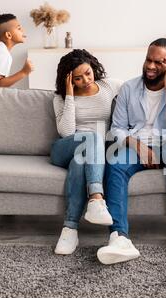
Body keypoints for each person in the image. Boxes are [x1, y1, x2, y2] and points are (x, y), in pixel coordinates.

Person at [97, 39, 166, 265]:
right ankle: (119, 236)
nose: (150, 66)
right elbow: (117, 128)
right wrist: (137, 145)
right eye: (148, 60)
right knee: (114, 162)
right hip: (137, 145)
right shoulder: (129, 88)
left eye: (158, 62)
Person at [51, 49, 123, 255]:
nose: (86, 80)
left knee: (80, 162)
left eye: (88, 73)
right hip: (64, 149)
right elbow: (66, 132)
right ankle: (97, 198)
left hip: (89, 155)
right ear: (69, 79)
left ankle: (70, 229)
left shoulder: (109, 86)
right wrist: (71, 95)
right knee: (91, 137)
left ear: (93, 67)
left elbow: (139, 88)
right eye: (78, 78)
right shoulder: (60, 98)